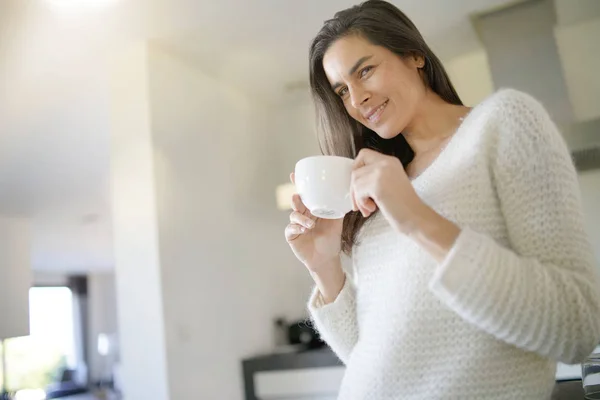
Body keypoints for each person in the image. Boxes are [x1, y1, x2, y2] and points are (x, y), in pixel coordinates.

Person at [283, 1, 600, 399]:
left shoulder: (502, 123)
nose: (357, 99)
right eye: (342, 90)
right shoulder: (377, 191)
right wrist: (325, 265)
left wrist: (417, 218)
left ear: (415, 54)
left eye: (365, 70)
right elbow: (380, 359)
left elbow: (576, 328)